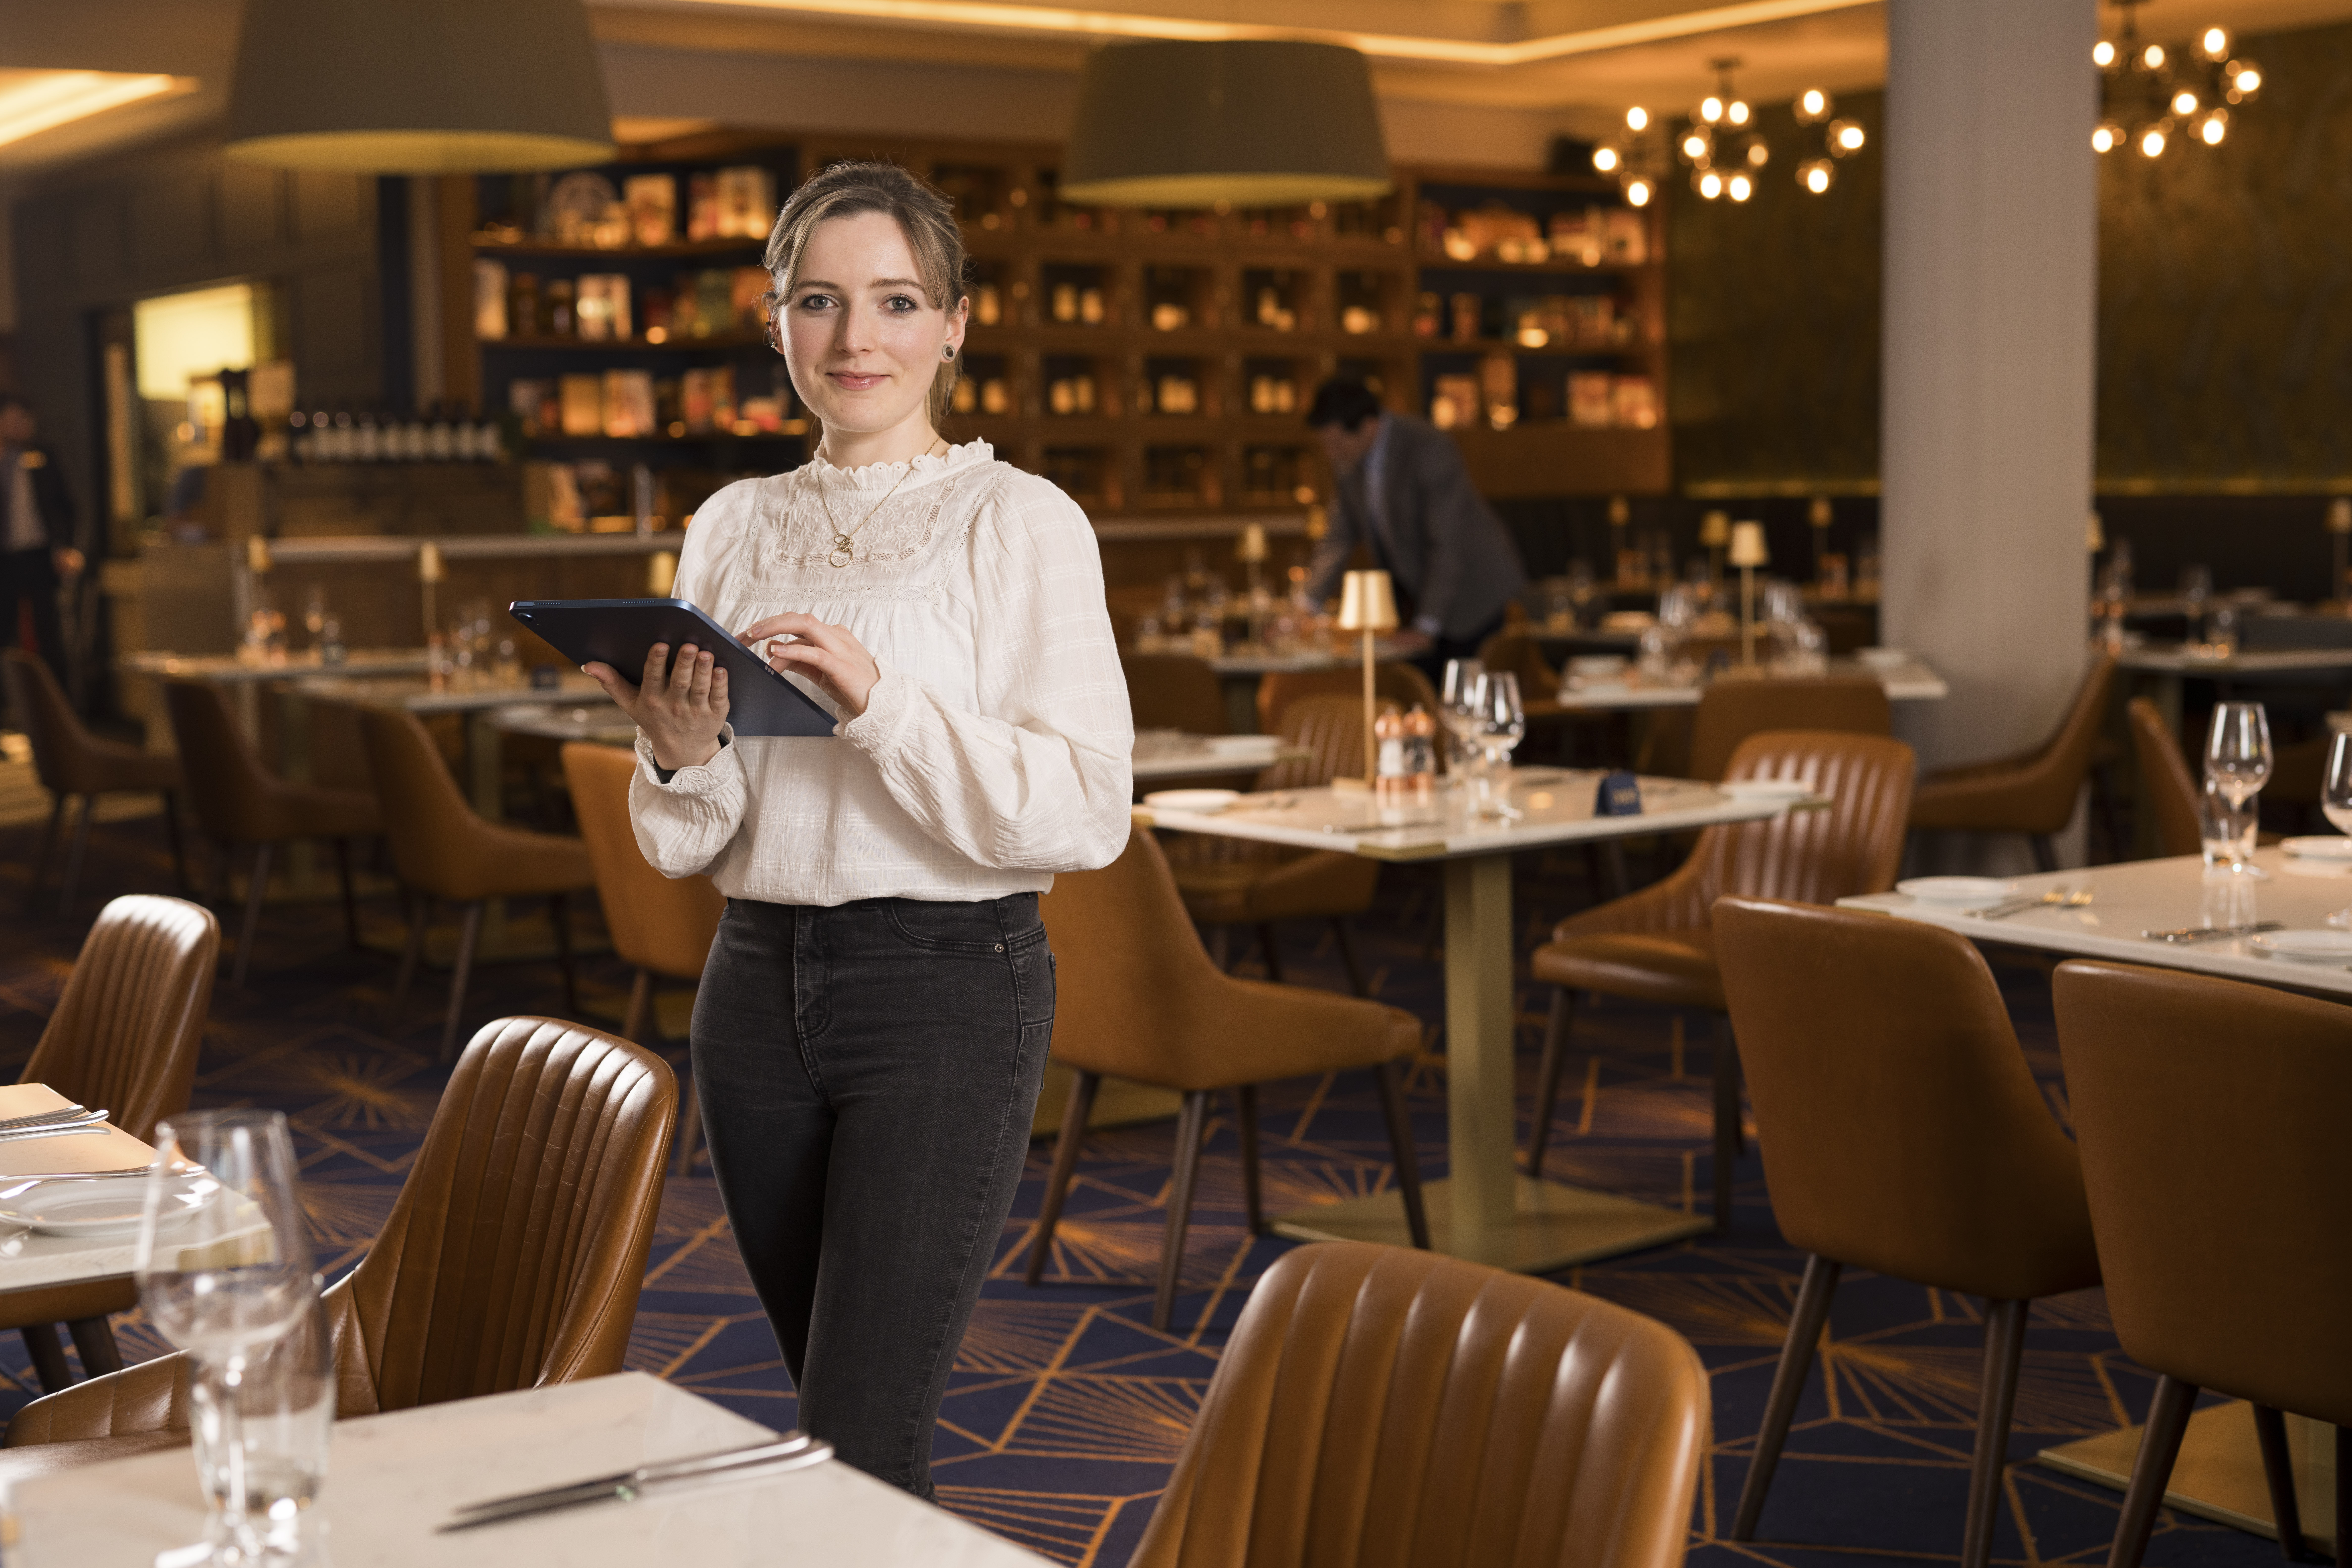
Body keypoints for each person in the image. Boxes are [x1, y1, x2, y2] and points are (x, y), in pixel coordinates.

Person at [581, 162, 1132, 1499]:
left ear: (954, 324)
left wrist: (882, 706)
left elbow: (1088, 806)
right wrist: (681, 749)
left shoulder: (1022, 519)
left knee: (861, 1440)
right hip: (752, 988)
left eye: (894, 300)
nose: (853, 338)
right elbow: (694, 839)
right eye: (818, 301)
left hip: (945, 991)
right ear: (775, 321)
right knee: (840, 1442)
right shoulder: (731, 523)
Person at [1304, 378, 1528, 677]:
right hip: (1419, 598)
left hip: (1474, 594)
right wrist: (1306, 605)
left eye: (1337, 444)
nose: (1332, 454)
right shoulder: (1350, 460)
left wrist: (1425, 627)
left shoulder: (1427, 447)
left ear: (1368, 427)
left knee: (1465, 695)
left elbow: (1447, 544)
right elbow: (1339, 537)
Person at [0, 393, 84, 684]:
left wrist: (68, 547)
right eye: (14, 420)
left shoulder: (44, 457)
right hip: (5, 557)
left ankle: (57, 702)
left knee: (48, 631)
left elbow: (68, 506)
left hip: (39, 554)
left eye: (26, 421)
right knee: (4, 631)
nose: (21, 427)